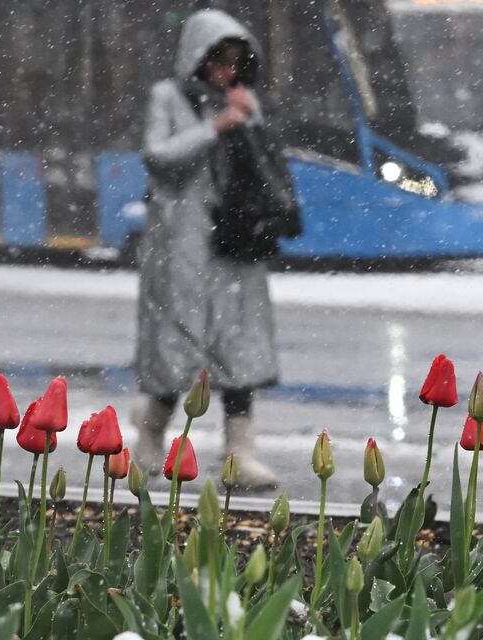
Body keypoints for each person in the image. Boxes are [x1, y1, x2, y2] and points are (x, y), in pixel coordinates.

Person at [134, 8, 280, 489]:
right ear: (198, 57)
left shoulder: (242, 101)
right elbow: (158, 157)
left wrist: (247, 120)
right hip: (181, 243)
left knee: (238, 344)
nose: (226, 72)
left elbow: (264, 166)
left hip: (235, 239)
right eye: (219, 60)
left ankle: (240, 454)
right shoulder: (169, 97)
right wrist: (215, 126)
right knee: (177, 346)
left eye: (237, 62)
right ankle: (150, 439)